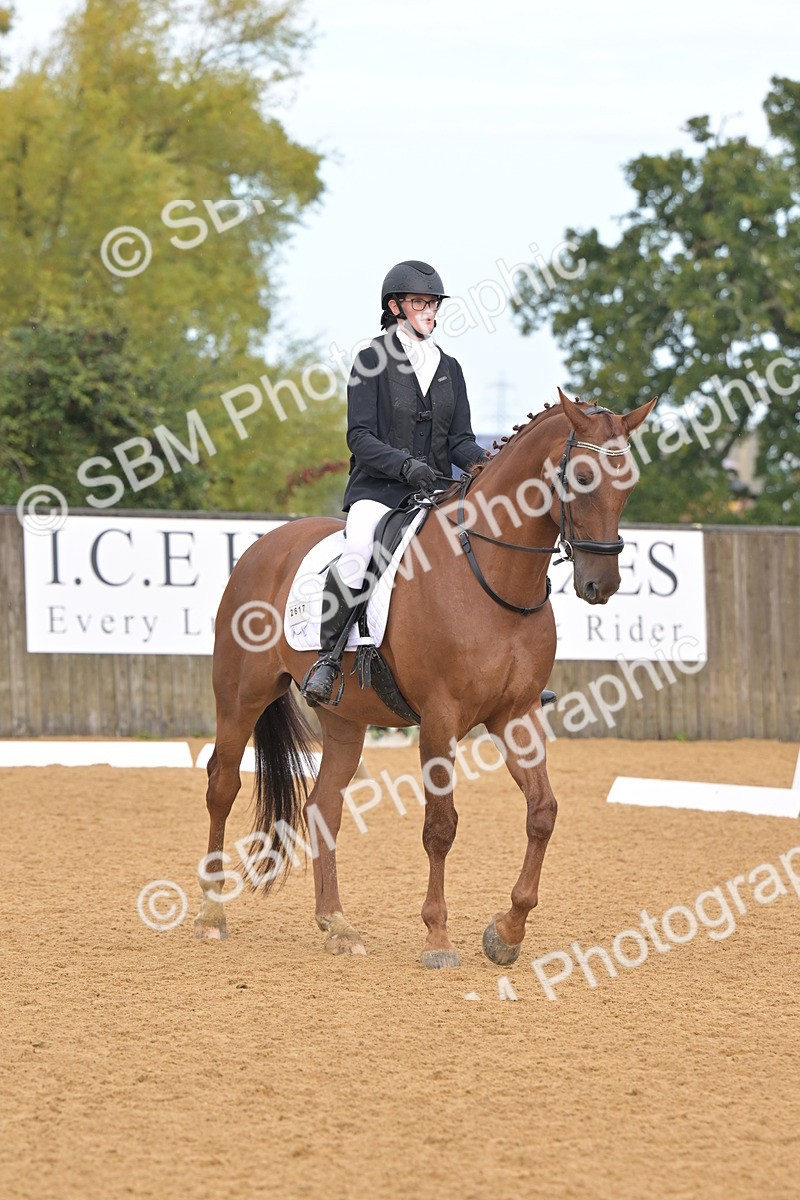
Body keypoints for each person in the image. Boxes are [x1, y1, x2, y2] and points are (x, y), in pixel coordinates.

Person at [300, 259, 488, 705]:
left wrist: (487, 465)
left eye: (433, 303)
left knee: (484, 550)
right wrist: (405, 467)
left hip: (438, 493)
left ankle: (498, 669)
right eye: (420, 302)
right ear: (395, 306)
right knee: (358, 551)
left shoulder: (450, 367)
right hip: (380, 491)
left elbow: (460, 440)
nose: (429, 311)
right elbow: (359, 437)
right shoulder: (372, 358)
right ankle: (327, 660)